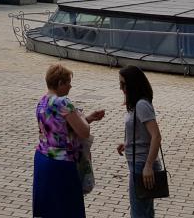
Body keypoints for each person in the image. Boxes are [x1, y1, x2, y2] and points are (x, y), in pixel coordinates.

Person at [32, 63, 106, 218]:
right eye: (68, 83)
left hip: (43, 159)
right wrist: (81, 117)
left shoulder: (42, 102)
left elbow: (60, 130)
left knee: (50, 209)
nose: (70, 86)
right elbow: (84, 132)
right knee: (67, 209)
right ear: (60, 83)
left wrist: (88, 118)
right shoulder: (63, 102)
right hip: (62, 163)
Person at [116, 65, 163, 218]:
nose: (121, 88)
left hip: (142, 165)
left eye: (124, 84)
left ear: (133, 84)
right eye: (120, 84)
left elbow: (156, 136)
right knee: (145, 211)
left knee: (139, 213)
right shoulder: (136, 104)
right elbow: (143, 133)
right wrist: (128, 144)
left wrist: (148, 166)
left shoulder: (142, 105)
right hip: (138, 163)